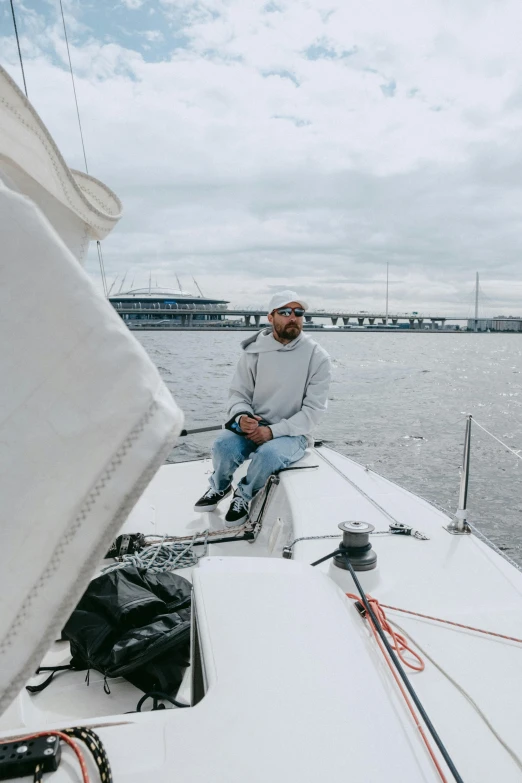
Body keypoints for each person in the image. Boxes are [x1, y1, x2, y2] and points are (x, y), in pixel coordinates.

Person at [194, 290, 332, 526]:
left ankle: (243, 495)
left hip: (293, 433)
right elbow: (239, 394)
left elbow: (313, 413)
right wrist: (241, 417)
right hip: (253, 426)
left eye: (298, 312)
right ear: (271, 317)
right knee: (223, 445)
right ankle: (220, 487)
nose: (293, 317)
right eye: (285, 312)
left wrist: (272, 432)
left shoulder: (317, 357)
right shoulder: (254, 351)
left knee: (268, 455)